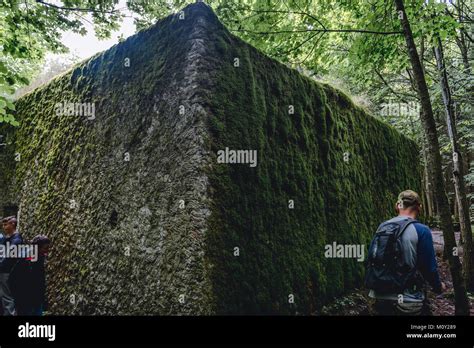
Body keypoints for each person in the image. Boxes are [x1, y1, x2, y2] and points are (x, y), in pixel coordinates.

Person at [366, 190, 445, 315]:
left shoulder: (382, 227)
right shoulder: (421, 230)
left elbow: (371, 258)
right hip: (408, 299)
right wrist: (438, 287)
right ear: (419, 207)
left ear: (397, 205)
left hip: (379, 296)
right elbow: (429, 268)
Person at [0, 216, 24, 316]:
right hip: (5, 271)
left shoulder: (16, 240)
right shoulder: (8, 238)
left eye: (6, 224)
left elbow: (8, 258)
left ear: (13, 224)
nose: (4, 226)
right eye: (3, 224)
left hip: (7, 272)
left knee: (7, 297)